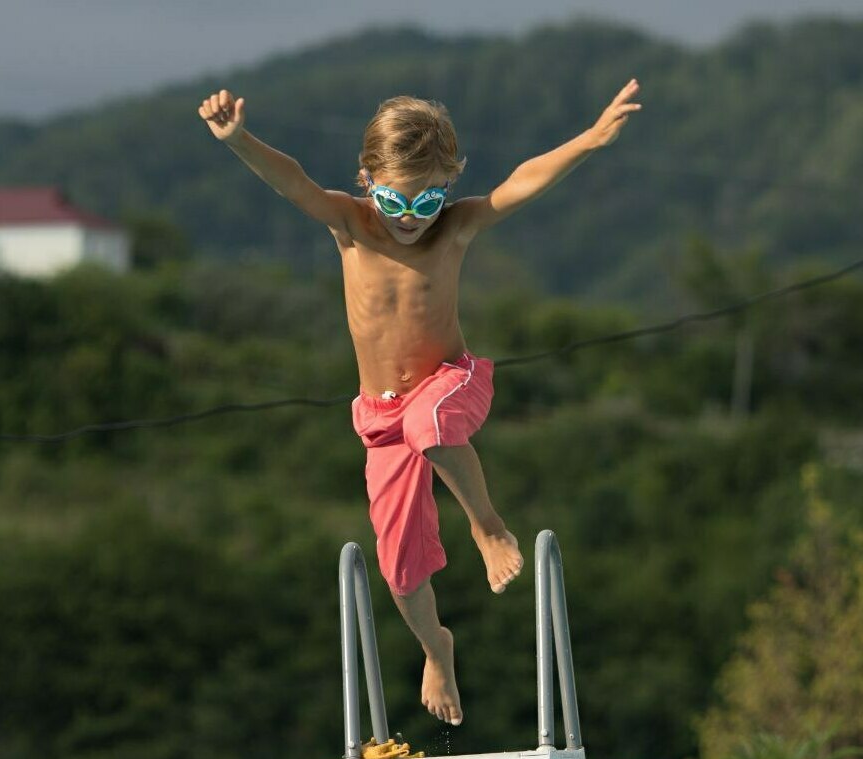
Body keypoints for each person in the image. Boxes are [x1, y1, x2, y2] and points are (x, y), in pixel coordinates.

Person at [198, 79, 641, 725]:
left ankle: (487, 526)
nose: (411, 217)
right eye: (395, 200)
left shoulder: (455, 228)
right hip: (380, 416)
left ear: (451, 185)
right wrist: (239, 140)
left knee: (428, 422)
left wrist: (591, 139)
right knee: (400, 570)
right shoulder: (351, 225)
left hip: (451, 384)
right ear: (366, 180)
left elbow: (521, 182)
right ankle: (438, 650)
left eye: (429, 199)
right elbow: (291, 181)